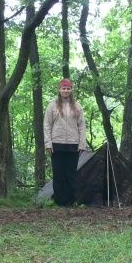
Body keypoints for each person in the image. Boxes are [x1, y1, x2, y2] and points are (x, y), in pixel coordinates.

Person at [44, 78, 86, 207]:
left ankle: (70, 202)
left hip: (73, 144)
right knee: (59, 174)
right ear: (59, 89)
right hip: (57, 144)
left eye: (68, 88)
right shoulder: (52, 105)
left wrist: (82, 144)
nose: (66, 90)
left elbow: (82, 126)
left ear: (71, 90)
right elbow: (47, 125)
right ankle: (59, 202)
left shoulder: (77, 106)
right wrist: (48, 143)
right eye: (63, 88)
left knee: (70, 175)